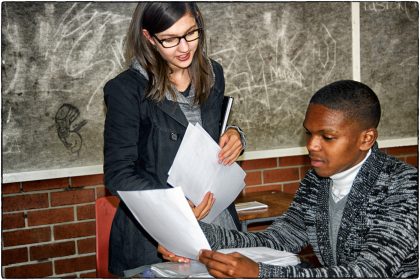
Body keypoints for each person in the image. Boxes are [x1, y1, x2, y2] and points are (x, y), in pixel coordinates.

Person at [160, 80, 418, 278]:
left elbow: (368, 273)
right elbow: (275, 241)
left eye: (327, 137)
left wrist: (261, 274)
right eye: (309, 134)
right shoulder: (318, 181)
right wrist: (190, 236)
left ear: (366, 139)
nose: (312, 146)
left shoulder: (403, 186)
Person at [103, 2, 246, 277]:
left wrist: (235, 135)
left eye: (191, 33)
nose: (184, 48)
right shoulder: (127, 89)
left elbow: (209, 135)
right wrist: (175, 207)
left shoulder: (213, 72)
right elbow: (118, 174)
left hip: (217, 224)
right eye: (169, 39)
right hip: (154, 234)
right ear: (148, 37)